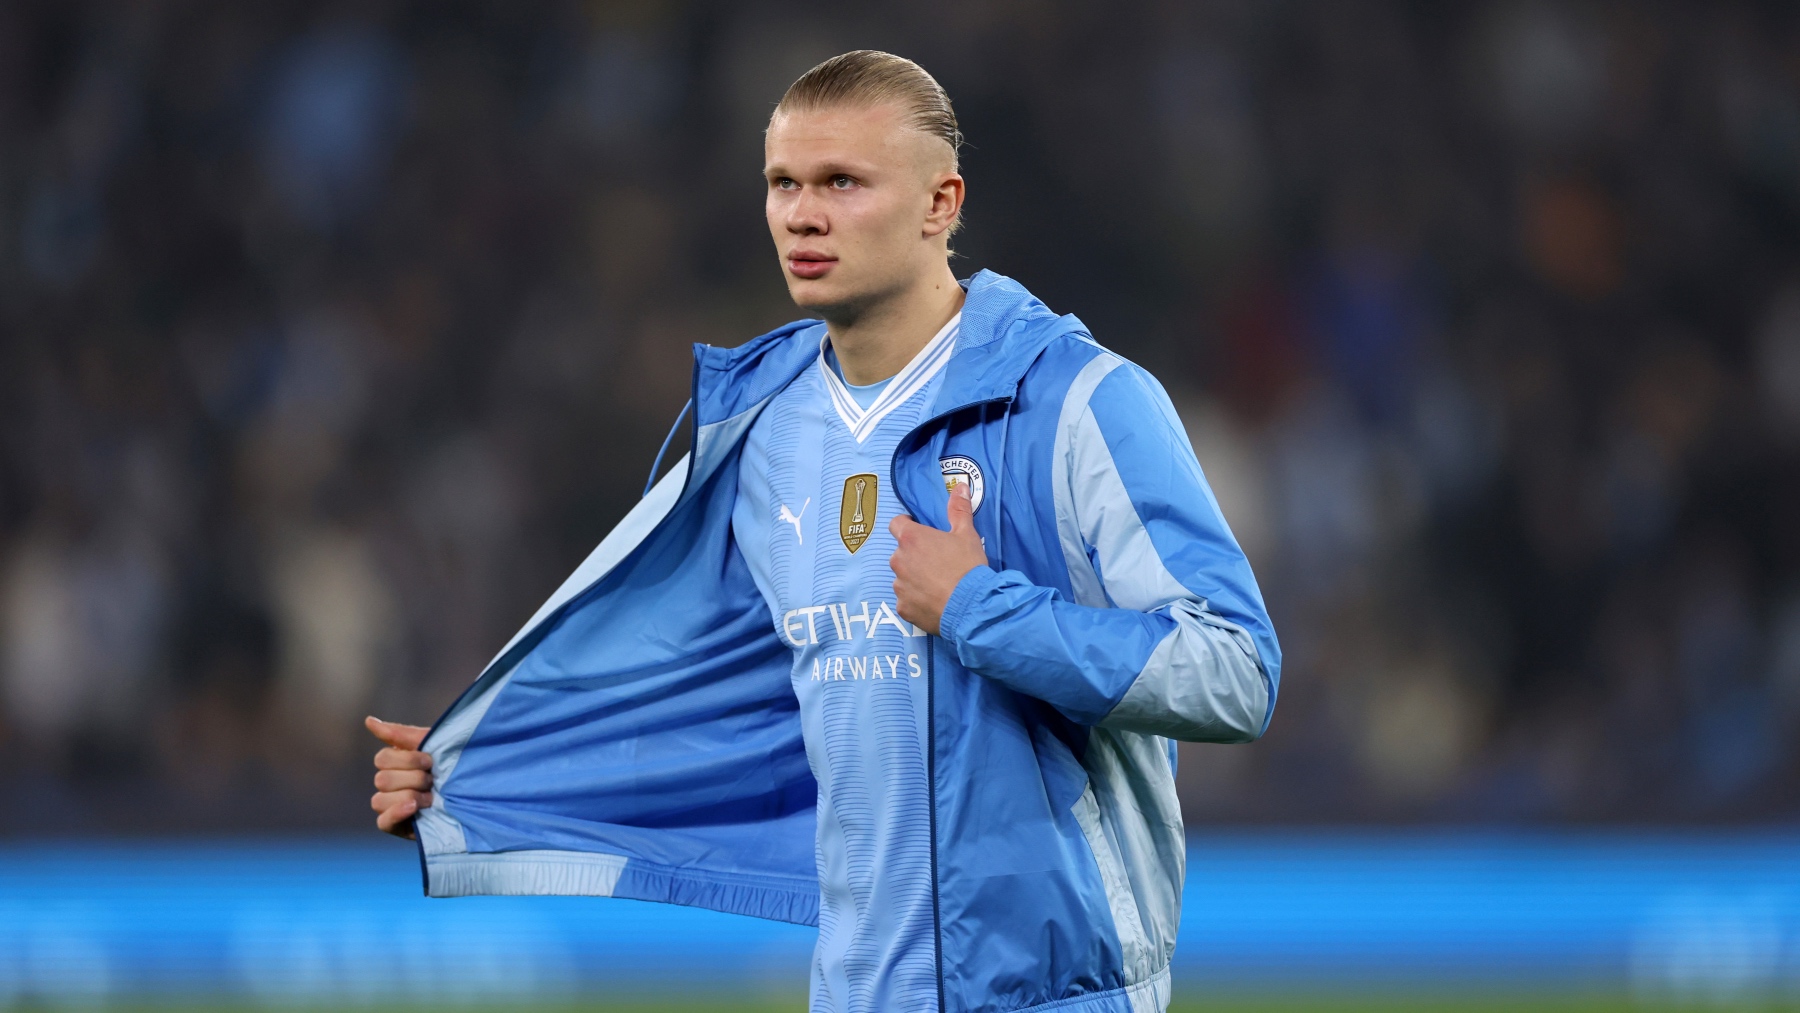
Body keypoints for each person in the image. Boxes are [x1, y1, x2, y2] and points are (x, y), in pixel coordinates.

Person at [366, 50, 1279, 1013]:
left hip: (1059, 996)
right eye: (783, 184)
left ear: (940, 203)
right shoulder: (762, 437)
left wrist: (981, 609)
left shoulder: (1084, 402)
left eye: (842, 182)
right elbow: (737, 706)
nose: (802, 214)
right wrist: (484, 768)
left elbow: (1237, 671)